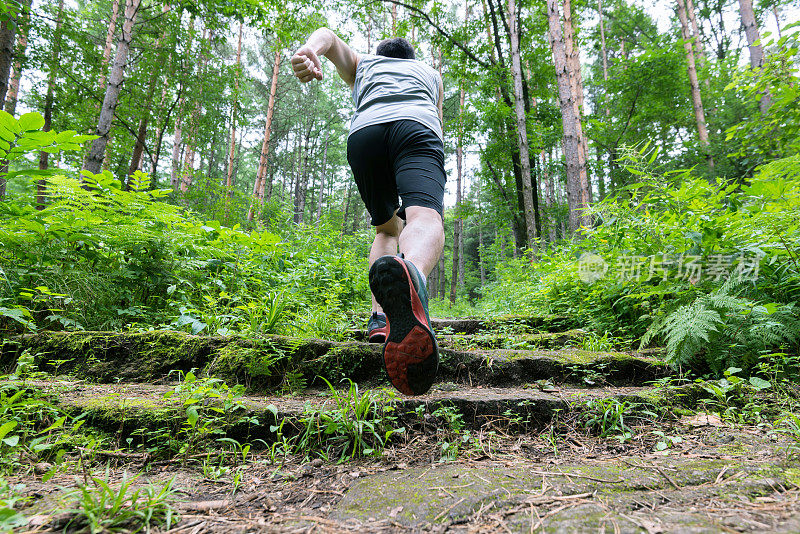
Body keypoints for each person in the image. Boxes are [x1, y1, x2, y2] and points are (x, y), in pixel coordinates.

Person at [291, 28, 445, 396]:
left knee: (387, 231)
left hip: (366, 134)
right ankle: (413, 277)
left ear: (381, 54)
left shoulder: (364, 65)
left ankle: (380, 316)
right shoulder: (430, 74)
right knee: (424, 216)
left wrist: (309, 51)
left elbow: (327, 36)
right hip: (417, 127)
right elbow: (436, 115)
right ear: (410, 59)